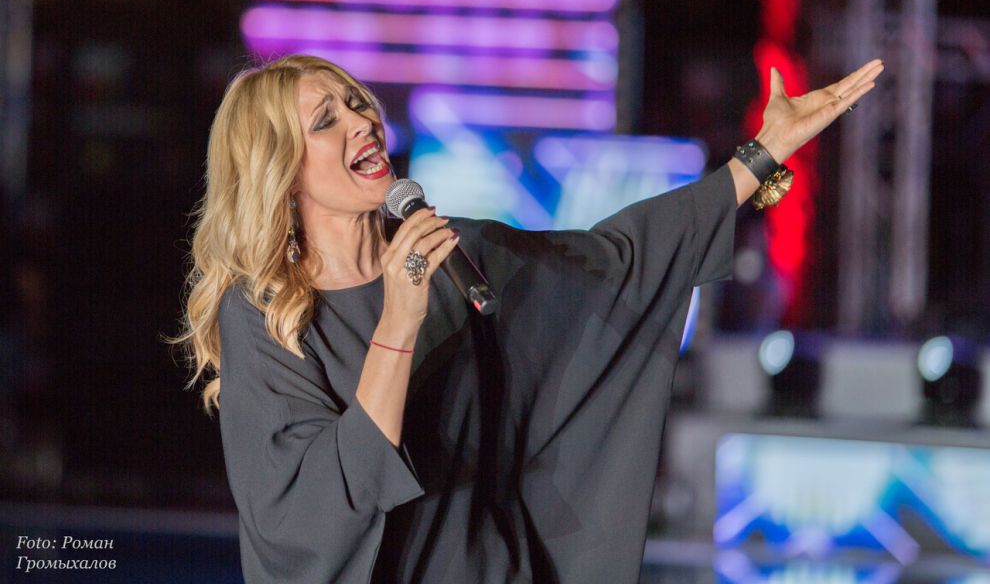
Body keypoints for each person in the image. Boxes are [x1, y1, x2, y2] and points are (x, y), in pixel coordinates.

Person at [173, 54, 883, 583]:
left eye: (357, 103)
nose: (362, 121)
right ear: (282, 170)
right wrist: (398, 320)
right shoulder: (267, 316)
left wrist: (763, 154)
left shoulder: (456, 255)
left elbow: (618, 262)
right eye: (327, 120)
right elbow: (318, 510)